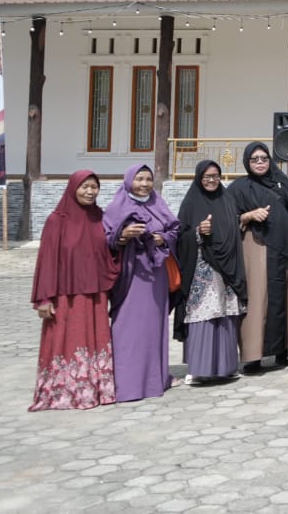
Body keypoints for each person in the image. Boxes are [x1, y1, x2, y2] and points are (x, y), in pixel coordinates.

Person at [30, 171, 120, 411]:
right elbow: (47, 261)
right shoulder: (56, 220)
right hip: (65, 296)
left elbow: (109, 253)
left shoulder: (100, 217)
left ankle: (97, 390)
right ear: (73, 188)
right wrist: (44, 298)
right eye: (85, 187)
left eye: (94, 187)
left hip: (96, 295)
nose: (90, 191)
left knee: (95, 339)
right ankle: (63, 392)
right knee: (64, 340)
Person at [103, 163, 180, 401]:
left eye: (148, 179)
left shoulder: (158, 204)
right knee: (127, 327)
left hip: (155, 276)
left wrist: (161, 238)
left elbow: (175, 229)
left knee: (153, 326)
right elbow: (104, 239)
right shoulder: (116, 207)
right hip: (130, 276)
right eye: (139, 179)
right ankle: (127, 383)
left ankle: (155, 379)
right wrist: (123, 236)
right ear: (128, 181)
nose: (144, 184)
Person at [228, 142, 288, 373]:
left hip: (282, 248)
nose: (260, 163)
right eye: (254, 159)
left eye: (264, 158)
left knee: (285, 297)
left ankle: (282, 350)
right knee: (258, 299)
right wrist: (248, 215)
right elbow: (227, 218)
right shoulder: (238, 187)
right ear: (247, 162)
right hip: (256, 247)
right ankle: (254, 355)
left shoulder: (281, 182)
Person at [173, 160, 247, 384]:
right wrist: (198, 231)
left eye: (215, 175)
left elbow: (234, 233)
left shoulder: (227, 200)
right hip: (200, 269)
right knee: (202, 314)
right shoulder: (191, 203)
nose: (212, 180)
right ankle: (199, 368)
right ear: (198, 178)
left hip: (227, 271)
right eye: (207, 176)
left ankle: (225, 367)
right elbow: (180, 234)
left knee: (224, 315)